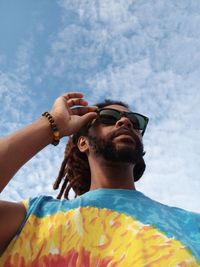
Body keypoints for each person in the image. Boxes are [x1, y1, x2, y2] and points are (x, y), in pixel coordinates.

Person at [0, 92, 199, 266]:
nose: (125, 122)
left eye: (135, 121)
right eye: (108, 118)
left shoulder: (191, 225)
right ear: (83, 143)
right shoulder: (34, 217)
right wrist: (53, 123)